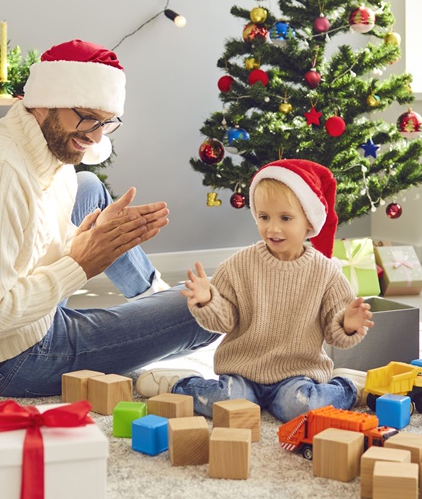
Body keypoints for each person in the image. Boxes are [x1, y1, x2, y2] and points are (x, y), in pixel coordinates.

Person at [0, 39, 219, 396]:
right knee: (208, 306)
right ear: (45, 101)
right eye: (88, 118)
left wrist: (85, 240)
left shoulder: (42, 148)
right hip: (10, 357)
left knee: (87, 186)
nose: (95, 136)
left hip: (17, 327)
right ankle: (151, 316)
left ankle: (149, 296)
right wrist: (81, 263)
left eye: (106, 122)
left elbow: (28, 245)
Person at [135, 159, 374, 423]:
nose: (273, 227)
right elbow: (224, 321)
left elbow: (334, 332)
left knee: (301, 409)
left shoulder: (326, 272)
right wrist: (208, 301)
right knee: (227, 403)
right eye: (264, 217)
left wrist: (348, 324)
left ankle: (348, 388)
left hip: (296, 376)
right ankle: (179, 384)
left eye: (285, 218)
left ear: (309, 221)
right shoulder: (238, 265)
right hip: (242, 373)